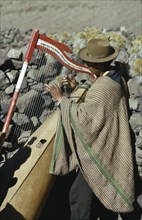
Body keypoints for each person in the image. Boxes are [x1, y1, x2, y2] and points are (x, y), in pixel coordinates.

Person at [45, 39, 136, 220]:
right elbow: (99, 107)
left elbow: (86, 120)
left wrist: (61, 99)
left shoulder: (104, 86)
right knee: (87, 197)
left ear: (98, 64)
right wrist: (77, 88)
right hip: (106, 147)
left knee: (78, 197)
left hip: (101, 152)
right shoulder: (114, 77)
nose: (85, 65)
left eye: (88, 63)